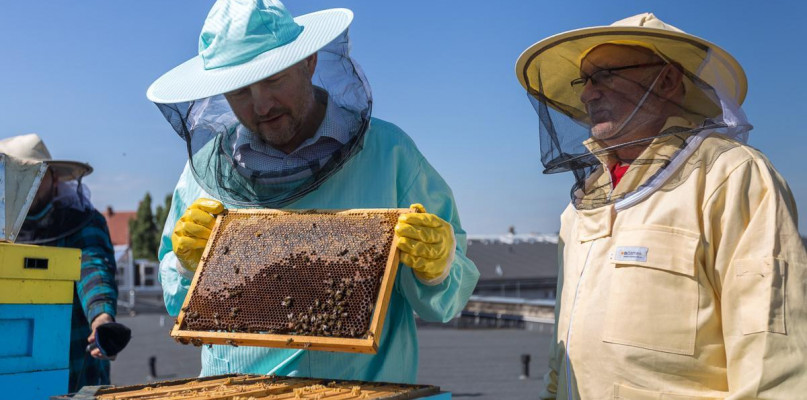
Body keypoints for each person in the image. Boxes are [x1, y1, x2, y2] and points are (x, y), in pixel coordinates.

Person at [146, 0, 479, 383]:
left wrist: (438, 269)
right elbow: (176, 298)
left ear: (309, 62)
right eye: (239, 91)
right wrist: (185, 266)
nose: (261, 105)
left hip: (361, 389)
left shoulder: (392, 154)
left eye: (272, 79)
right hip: (231, 389)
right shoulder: (203, 173)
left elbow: (445, 302)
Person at [515, 13, 807, 399]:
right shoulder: (580, 208)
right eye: (584, 81)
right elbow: (562, 353)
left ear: (667, 81)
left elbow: (773, 355)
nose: (587, 95)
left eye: (604, 75)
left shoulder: (730, 176)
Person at [0, 133, 118, 393]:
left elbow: (92, 268)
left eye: (33, 176)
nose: (24, 186)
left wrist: (101, 316)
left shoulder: (82, 221)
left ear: (52, 177)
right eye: (15, 177)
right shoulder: (3, 227)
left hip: (75, 367)